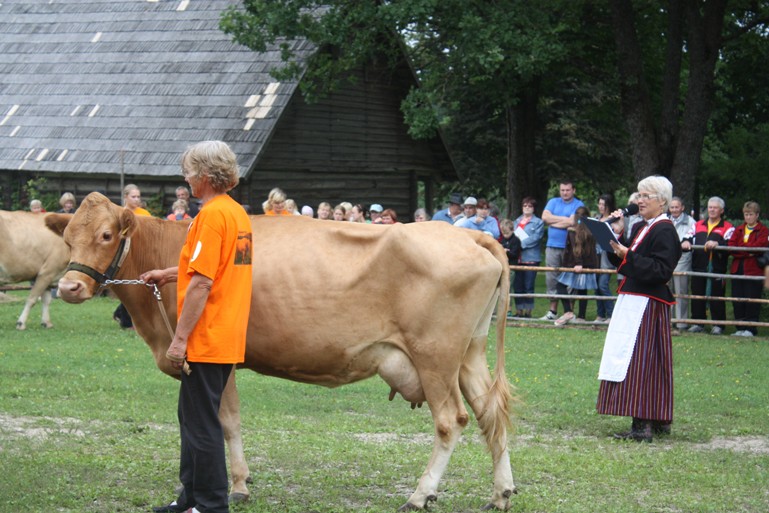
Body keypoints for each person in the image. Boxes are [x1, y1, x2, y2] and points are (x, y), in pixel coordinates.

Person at [142, 140, 253, 513]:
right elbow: (219, 270)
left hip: (206, 337)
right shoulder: (236, 214)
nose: (186, 178)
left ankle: (209, 505)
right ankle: (188, 498)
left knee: (201, 424)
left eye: (189, 172)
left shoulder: (210, 216)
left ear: (205, 176)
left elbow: (204, 283)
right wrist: (171, 273)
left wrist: (179, 339)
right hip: (227, 334)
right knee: (191, 417)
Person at [597, 175, 681, 443]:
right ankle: (655, 418)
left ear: (663, 202)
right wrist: (618, 234)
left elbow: (660, 270)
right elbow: (625, 260)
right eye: (639, 195)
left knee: (642, 362)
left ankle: (642, 424)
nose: (639, 200)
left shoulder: (664, 230)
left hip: (648, 303)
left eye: (646, 196)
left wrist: (628, 254)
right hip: (634, 298)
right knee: (641, 360)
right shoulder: (643, 227)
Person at [688, 196, 734, 335]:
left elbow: (730, 244)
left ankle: (718, 324)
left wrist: (718, 245)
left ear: (721, 210)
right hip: (698, 265)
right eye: (710, 207)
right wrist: (685, 242)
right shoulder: (698, 224)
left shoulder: (728, 227)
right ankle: (698, 323)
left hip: (717, 267)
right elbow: (688, 237)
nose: (712, 210)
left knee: (717, 296)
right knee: (697, 295)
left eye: (715, 208)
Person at [540, 180, 585, 320]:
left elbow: (572, 222)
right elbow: (544, 217)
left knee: (569, 277)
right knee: (551, 278)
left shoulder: (578, 205)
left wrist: (553, 222)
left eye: (568, 190)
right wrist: (564, 220)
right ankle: (552, 311)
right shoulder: (553, 202)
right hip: (552, 246)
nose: (565, 193)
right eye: (562, 190)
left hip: (570, 247)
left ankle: (569, 311)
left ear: (573, 190)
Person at [728, 201, 769, 337]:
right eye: (746, 214)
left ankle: (751, 328)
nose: (748, 217)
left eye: (751, 214)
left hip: (753, 269)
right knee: (737, 299)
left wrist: (744, 249)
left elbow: (760, 245)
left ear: (757, 215)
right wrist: (748, 251)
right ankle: (740, 327)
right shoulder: (739, 229)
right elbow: (732, 246)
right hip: (737, 268)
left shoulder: (763, 230)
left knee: (752, 299)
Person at [114, 184, 151, 329]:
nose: (137, 199)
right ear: (125, 197)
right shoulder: (119, 213)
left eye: (138, 196)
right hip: (124, 254)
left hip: (141, 254)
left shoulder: (144, 213)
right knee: (127, 287)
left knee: (140, 286)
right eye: (133, 197)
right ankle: (126, 321)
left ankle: (120, 314)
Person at [553, 206, 598, 325]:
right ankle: (581, 316)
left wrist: (578, 264)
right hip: (586, 265)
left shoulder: (574, 231)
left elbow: (575, 249)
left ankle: (569, 311)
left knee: (560, 286)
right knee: (582, 289)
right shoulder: (591, 230)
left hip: (576, 265)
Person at [511, 197, 545, 318]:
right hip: (517, 258)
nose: (527, 208)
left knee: (528, 285)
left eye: (529, 206)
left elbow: (536, 238)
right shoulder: (516, 221)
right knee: (518, 285)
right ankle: (519, 311)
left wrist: (520, 244)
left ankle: (528, 311)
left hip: (531, 258)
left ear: (534, 208)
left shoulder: (539, 222)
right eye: (525, 205)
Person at [667, 196, 696, 333]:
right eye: (671, 207)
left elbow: (692, 239)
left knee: (681, 290)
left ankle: (681, 322)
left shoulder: (690, 222)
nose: (674, 210)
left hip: (683, 258)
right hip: (667, 258)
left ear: (682, 207)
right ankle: (669, 320)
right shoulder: (666, 220)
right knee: (668, 289)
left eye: (676, 207)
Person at [594, 194, 617, 323]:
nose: (601, 207)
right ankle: (600, 314)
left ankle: (611, 314)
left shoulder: (613, 219)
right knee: (596, 286)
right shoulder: (597, 218)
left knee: (603, 285)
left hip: (606, 258)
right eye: (600, 204)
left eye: (604, 204)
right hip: (595, 256)